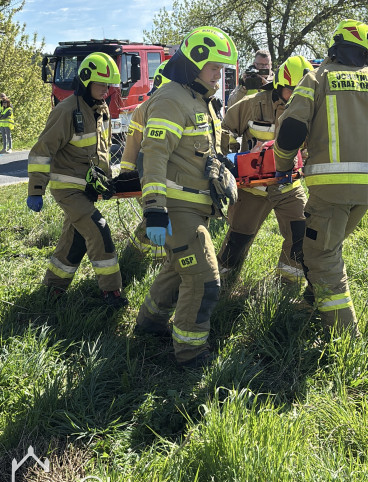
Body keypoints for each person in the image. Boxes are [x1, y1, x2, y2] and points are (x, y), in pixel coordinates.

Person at [135, 27, 238, 369]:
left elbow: (202, 152)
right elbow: (154, 156)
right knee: (205, 281)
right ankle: (191, 354)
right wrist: (155, 211)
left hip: (197, 208)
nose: (218, 76)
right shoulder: (170, 99)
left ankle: (148, 324)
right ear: (194, 63)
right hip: (177, 209)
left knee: (177, 271)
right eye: (214, 68)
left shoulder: (200, 101)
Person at [275, 20, 368, 336]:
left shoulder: (317, 79)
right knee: (329, 246)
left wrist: (283, 166)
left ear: (334, 48)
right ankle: (310, 305)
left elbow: (291, 131)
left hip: (331, 188)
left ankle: (345, 337)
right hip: (365, 191)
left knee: (322, 257)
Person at [26, 52, 128, 308]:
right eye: (101, 84)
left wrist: (105, 179)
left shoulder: (100, 110)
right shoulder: (66, 111)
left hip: (87, 188)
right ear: (85, 81)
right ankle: (111, 293)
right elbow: (42, 150)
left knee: (77, 238)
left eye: (108, 86)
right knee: (99, 229)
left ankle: (53, 290)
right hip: (67, 187)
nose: (105, 91)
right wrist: (36, 190)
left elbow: (101, 150)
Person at [217, 55, 313, 287]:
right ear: (279, 87)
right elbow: (225, 130)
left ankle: (286, 286)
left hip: (289, 187)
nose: (298, 97)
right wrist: (233, 160)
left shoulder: (311, 109)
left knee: (300, 234)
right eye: (293, 90)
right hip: (254, 188)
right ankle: (221, 282)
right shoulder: (254, 104)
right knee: (238, 238)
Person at [118, 62, 170, 263]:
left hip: (167, 175)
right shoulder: (144, 109)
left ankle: (134, 255)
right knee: (159, 215)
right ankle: (158, 263)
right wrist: (126, 177)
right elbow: (132, 144)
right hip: (149, 176)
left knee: (154, 217)